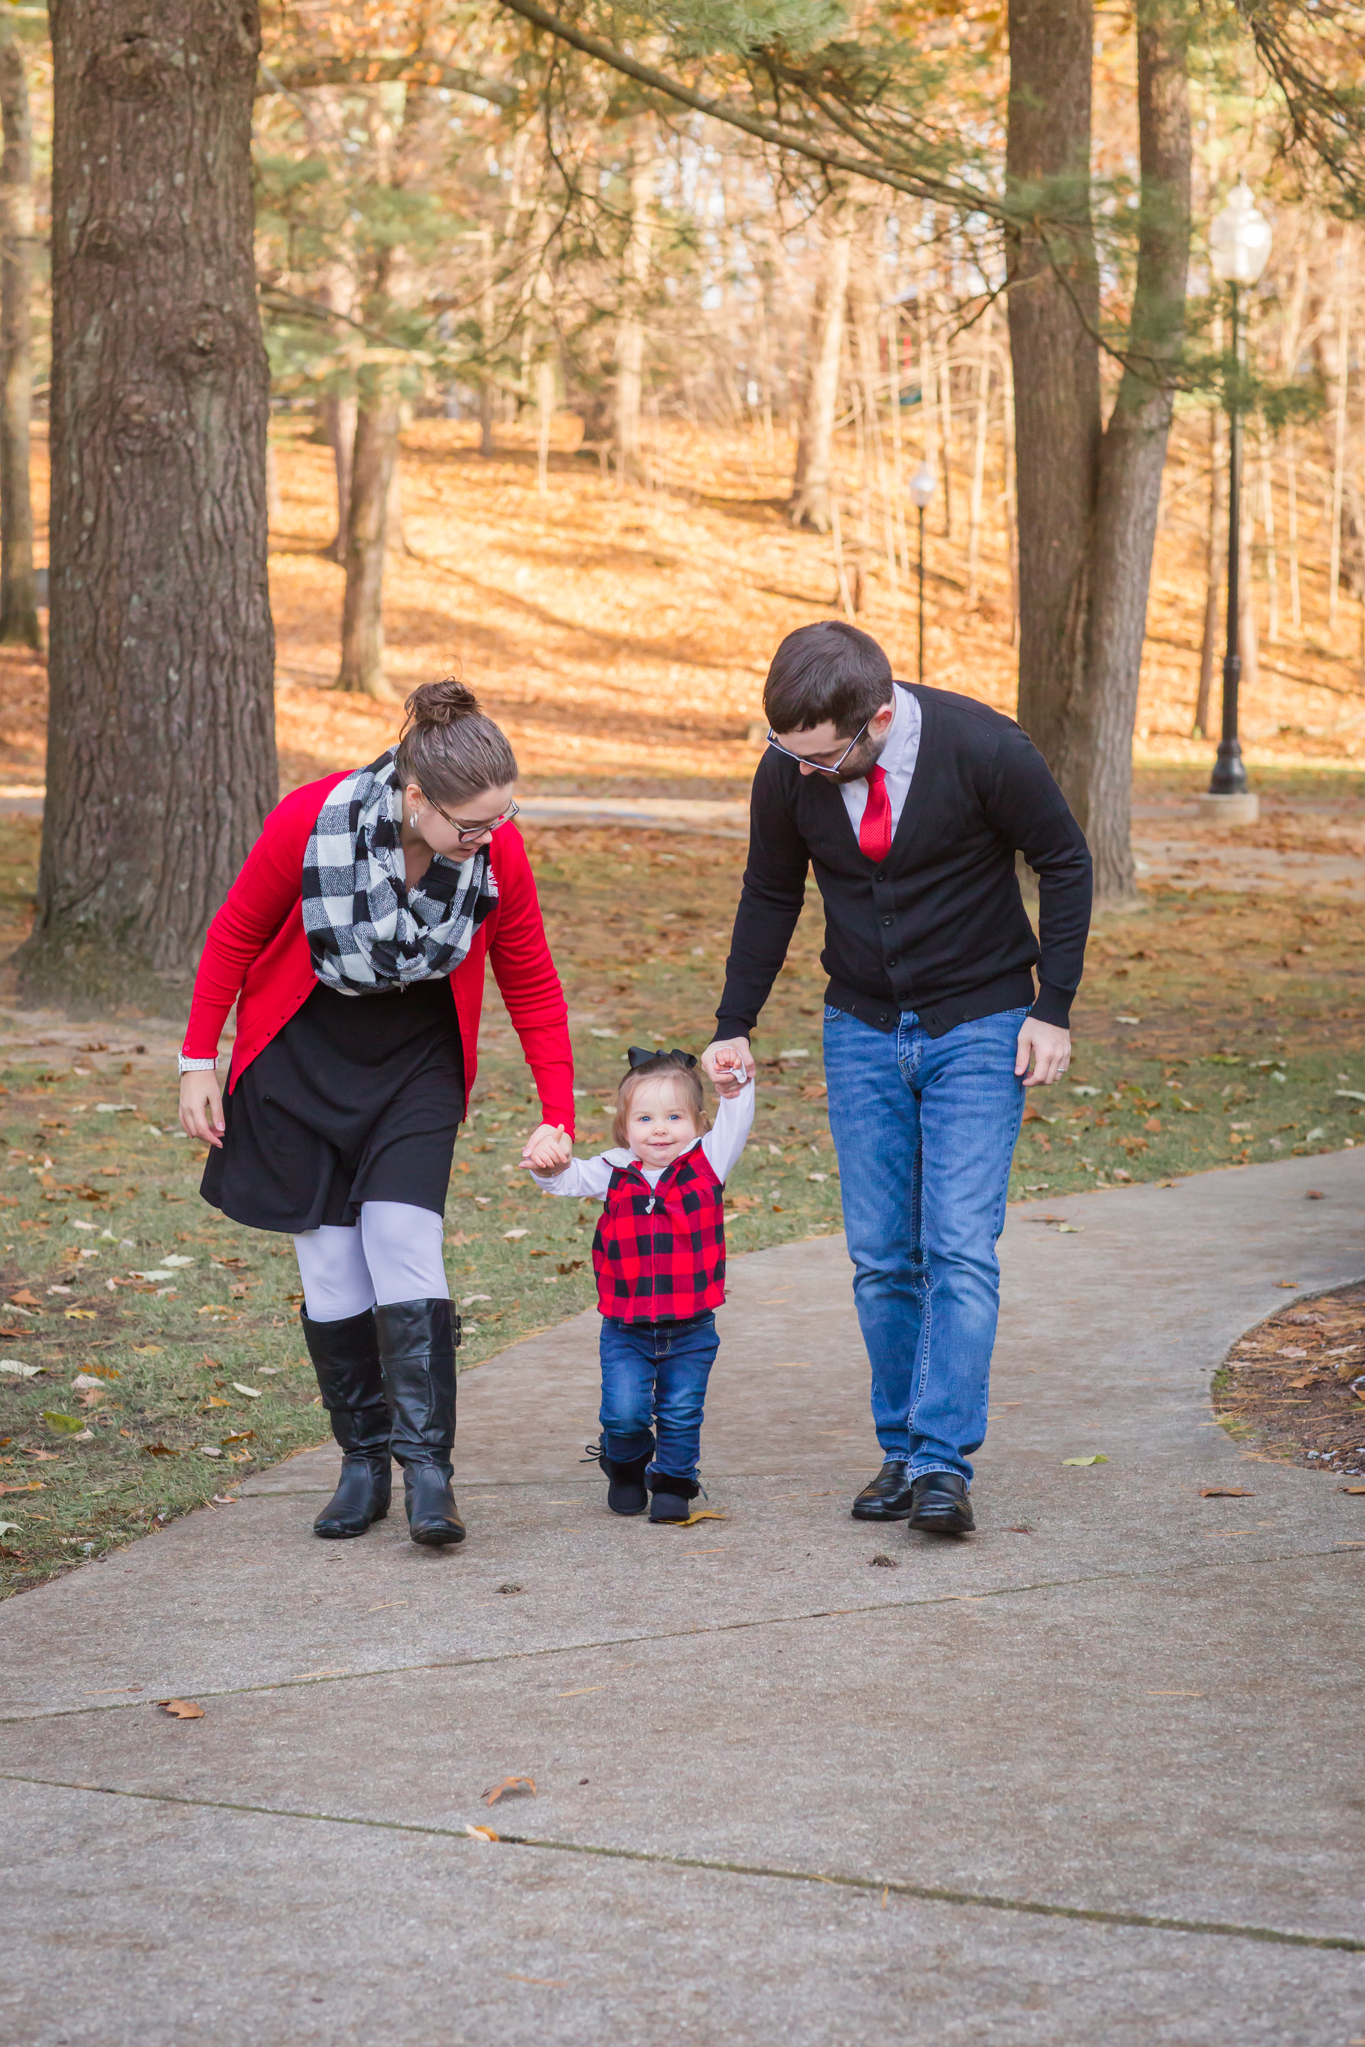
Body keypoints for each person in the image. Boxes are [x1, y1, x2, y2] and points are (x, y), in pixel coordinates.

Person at [702, 621, 1091, 1537]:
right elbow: (770, 890)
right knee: (880, 1255)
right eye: (788, 753)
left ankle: (940, 1460)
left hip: (982, 1021)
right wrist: (733, 1021)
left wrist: (1054, 1004)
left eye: (821, 756)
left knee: (957, 1246)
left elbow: (1065, 861)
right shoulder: (789, 768)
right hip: (861, 1025)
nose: (802, 770)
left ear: (877, 719)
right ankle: (902, 1447)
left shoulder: (985, 748)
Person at [178, 679, 573, 1549]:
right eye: (471, 823)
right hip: (299, 1060)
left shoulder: (494, 853)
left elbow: (531, 976)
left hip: (416, 1064)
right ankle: (362, 1461)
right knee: (330, 1267)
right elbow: (235, 933)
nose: (489, 837)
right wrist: (197, 1058)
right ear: (416, 795)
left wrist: (557, 1109)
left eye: (501, 818)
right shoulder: (311, 818)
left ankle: (428, 1469)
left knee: (402, 1236)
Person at [524, 1047, 755, 1522]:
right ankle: (625, 1465)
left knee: (681, 1411)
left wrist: (735, 1087)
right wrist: (548, 1165)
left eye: (674, 1117)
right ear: (625, 1128)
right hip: (625, 1328)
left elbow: (736, 1117)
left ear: (699, 1123)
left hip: (691, 1328)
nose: (660, 1129)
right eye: (645, 1119)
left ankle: (673, 1482)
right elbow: (564, 1179)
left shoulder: (708, 1162)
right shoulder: (613, 1170)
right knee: (623, 1413)